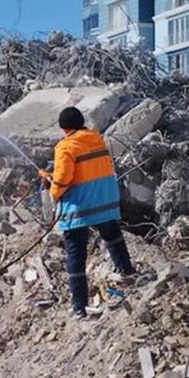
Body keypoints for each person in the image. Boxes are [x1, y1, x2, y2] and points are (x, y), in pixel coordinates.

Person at [39, 106, 135, 317]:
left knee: (75, 254)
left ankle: (79, 307)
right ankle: (128, 272)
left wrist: (51, 187)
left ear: (64, 129)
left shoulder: (65, 147)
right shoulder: (96, 139)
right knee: (112, 235)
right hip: (105, 200)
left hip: (81, 206)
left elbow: (63, 179)